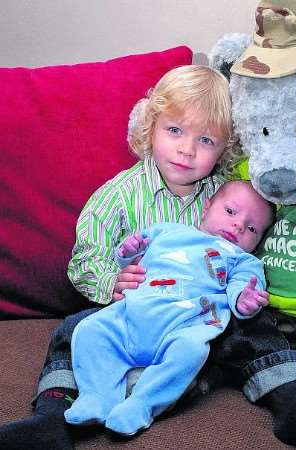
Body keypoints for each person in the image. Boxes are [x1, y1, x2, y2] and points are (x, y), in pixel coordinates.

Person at [0, 64, 238, 450]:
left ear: (225, 149)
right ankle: (53, 412)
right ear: (150, 126)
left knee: (249, 330)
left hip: (192, 319)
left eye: (206, 140)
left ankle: (283, 390)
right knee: (74, 329)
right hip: (128, 315)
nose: (187, 149)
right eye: (175, 131)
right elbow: (84, 256)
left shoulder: (226, 198)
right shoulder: (121, 193)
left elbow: (243, 249)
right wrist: (110, 279)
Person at [64, 180, 274, 436]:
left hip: (184, 327)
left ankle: (142, 405)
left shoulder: (244, 261)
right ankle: (97, 396)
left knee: (192, 351)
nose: (238, 225)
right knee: (90, 330)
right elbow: (133, 257)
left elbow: (242, 290)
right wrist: (128, 251)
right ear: (206, 207)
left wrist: (245, 300)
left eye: (252, 228)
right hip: (132, 316)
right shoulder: (168, 232)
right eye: (230, 212)